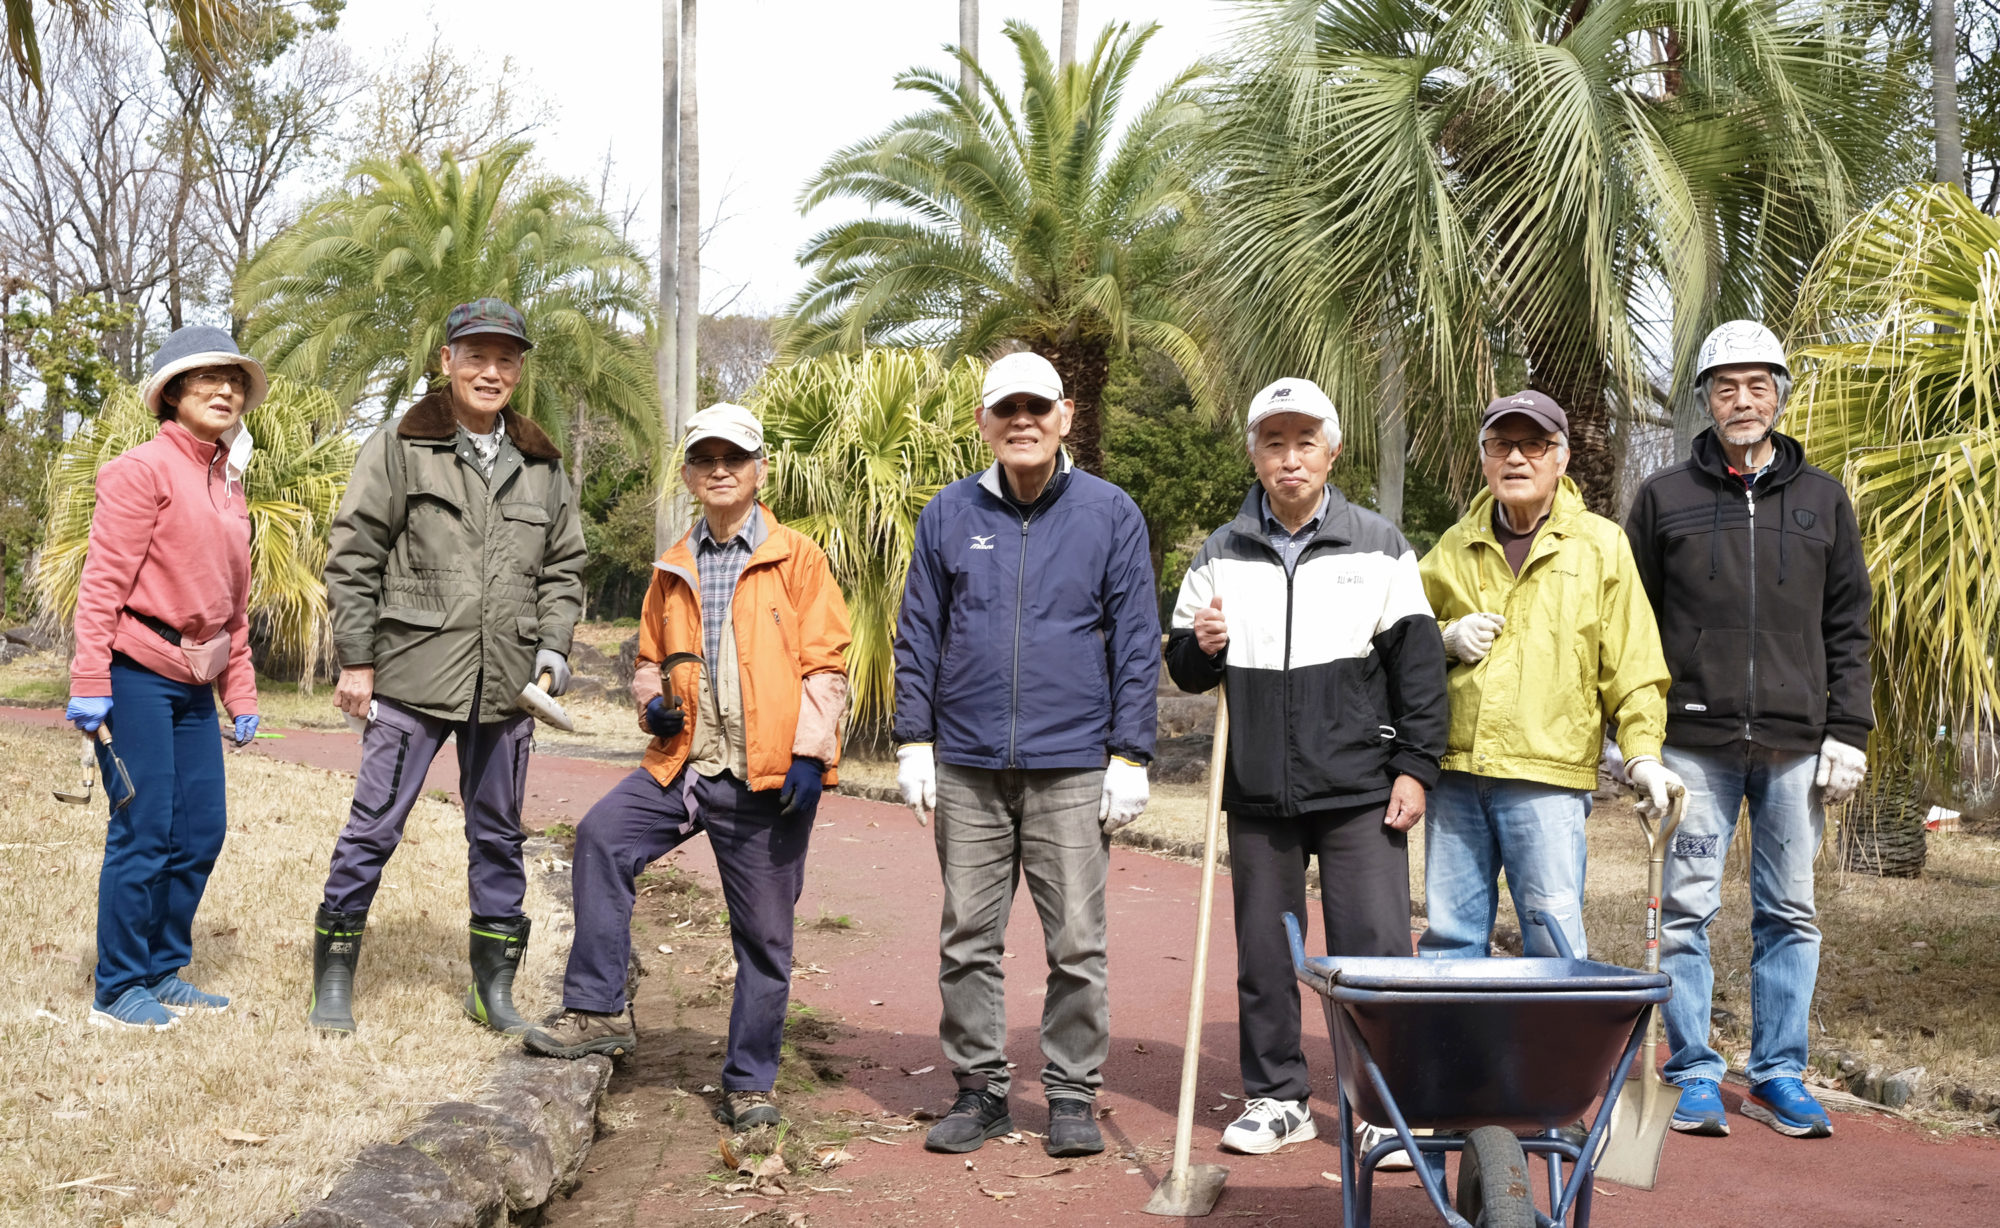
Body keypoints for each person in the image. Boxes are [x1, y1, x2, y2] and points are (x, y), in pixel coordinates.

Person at [523, 403, 852, 1135]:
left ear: (760, 470)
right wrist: (654, 709)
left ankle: (750, 1082)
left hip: (767, 779)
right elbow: (648, 662)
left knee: (765, 937)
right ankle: (599, 1007)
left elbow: (827, 665)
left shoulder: (798, 557)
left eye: (734, 457)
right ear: (689, 474)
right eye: (705, 459)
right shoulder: (672, 565)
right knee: (603, 836)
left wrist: (808, 753)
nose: (720, 470)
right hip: (684, 765)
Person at [1165, 377, 1448, 1160]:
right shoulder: (1220, 552)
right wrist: (1202, 646)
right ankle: (1278, 1097)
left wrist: (1416, 767)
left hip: (1360, 788)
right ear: (1254, 454)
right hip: (1258, 790)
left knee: (1376, 956)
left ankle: (1384, 1108)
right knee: (1264, 958)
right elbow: (1185, 666)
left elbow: (1419, 669)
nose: (1289, 459)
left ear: (1332, 450)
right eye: (1273, 443)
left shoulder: (1381, 544)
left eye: (1304, 442)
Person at [893, 351, 1159, 1159]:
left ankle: (1073, 1092)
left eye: (1037, 408)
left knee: (1076, 940)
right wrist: (913, 741)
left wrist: (1130, 754)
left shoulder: (1111, 514)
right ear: (983, 421)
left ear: (1065, 415)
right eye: (1005, 408)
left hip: (1073, 762)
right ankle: (981, 1091)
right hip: (968, 764)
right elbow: (919, 635)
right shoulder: (946, 514)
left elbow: (1138, 639)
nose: (1022, 421)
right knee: (967, 936)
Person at [1626, 320, 1872, 1141]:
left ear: (1779, 394)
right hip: (1694, 745)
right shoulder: (1664, 497)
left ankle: (1777, 1074)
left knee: (1790, 911)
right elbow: (1632, 624)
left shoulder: (1822, 499)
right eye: (1725, 386)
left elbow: (1849, 626)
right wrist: (1637, 745)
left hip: (1797, 746)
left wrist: (1850, 730)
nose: (1742, 399)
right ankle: (1693, 1070)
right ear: (1705, 399)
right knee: (1687, 910)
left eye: (1757, 384)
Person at [312, 298, 586, 1036]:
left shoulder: (540, 462)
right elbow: (355, 553)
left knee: (498, 835)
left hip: (507, 688)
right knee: (374, 826)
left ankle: (491, 990)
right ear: (448, 361)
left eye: (506, 359)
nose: (490, 372)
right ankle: (334, 978)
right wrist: (358, 660)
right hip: (409, 675)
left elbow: (564, 566)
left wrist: (553, 650)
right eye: (476, 356)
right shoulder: (401, 446)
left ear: (519, 370)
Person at [1417, 391, 1675, 961]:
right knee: (1450, 939)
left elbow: (1632, 661)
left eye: (1534, 445)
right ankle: (1451, 1052)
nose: (1516, 458)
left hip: (1548, 778)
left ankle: (1552, 1054)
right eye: (1501, 445)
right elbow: (1401, 635)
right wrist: (1445, 639)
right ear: (1484, 458)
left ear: (1561, 458)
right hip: (1457, 773)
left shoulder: (1601, 545)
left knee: (1552, 940)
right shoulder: (1453, 545)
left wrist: (1642, 753)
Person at [66, 326, 265, 1031]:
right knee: (144, 831)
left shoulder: (228, 484)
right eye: (207, 379)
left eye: (234, 381)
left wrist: (239, 693)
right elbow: (101, 586)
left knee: (201, 830)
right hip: (134, 674)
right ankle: (118, 989)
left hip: (194, 684)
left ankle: (161, 968)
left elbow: (233, 607)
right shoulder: (139, 470)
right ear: (172, 392)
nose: (225, 390)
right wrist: (91, 678)